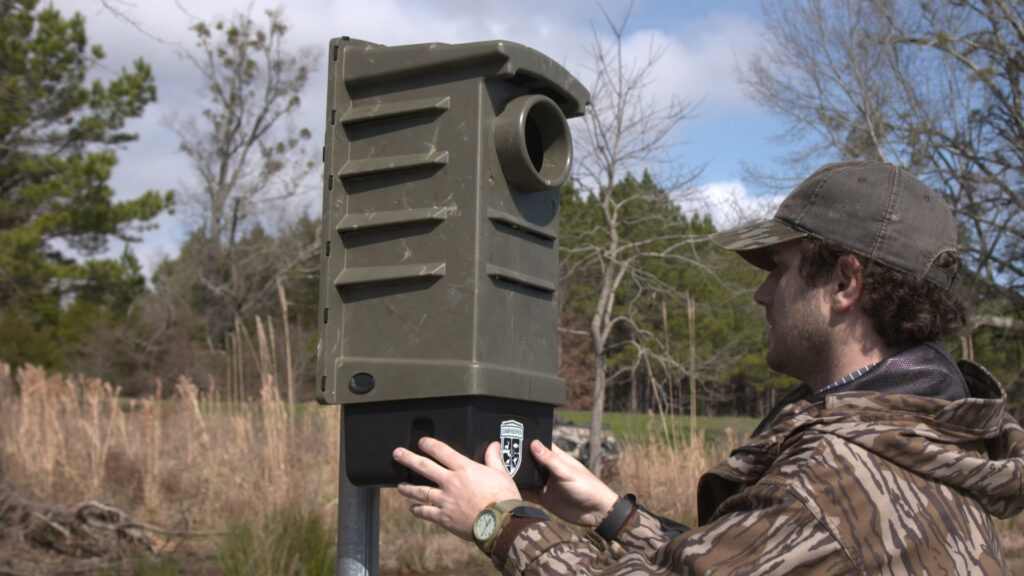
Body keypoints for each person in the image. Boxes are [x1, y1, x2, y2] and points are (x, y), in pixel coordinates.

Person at [392, 160, 1024, 574]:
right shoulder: (931, 439)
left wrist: (500, 519)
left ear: (845, 281)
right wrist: (611, 515)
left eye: (778, 268)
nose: (762, 294)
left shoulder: (834, 479)